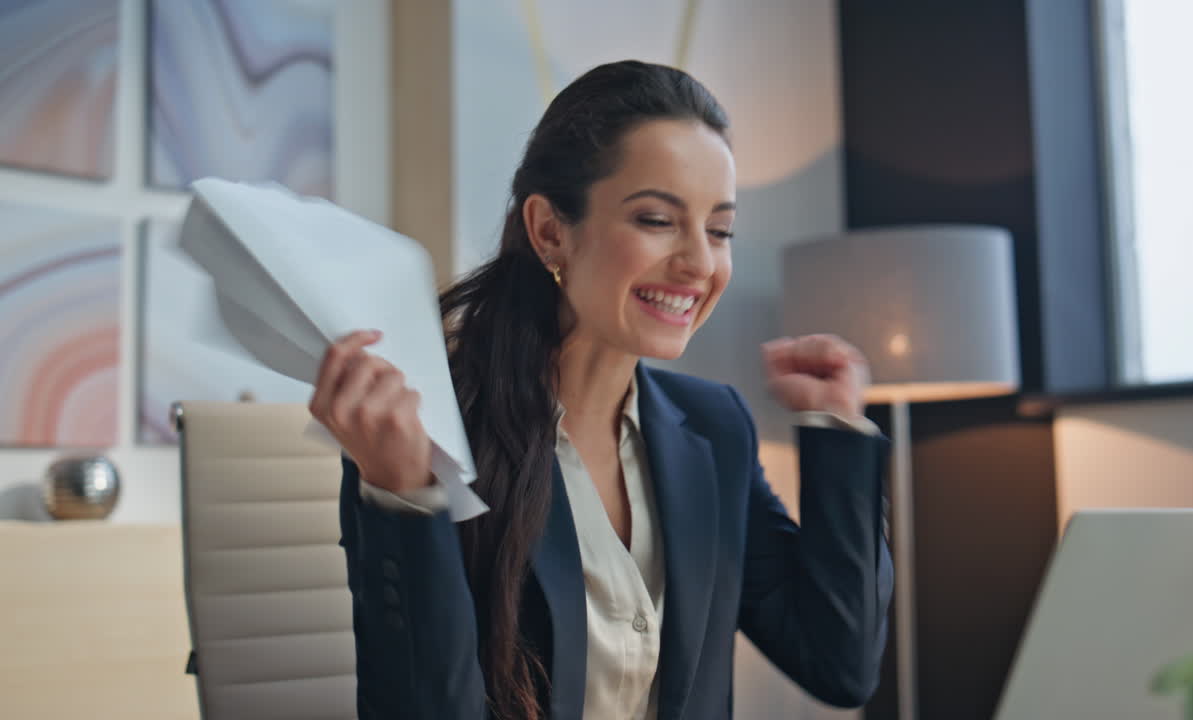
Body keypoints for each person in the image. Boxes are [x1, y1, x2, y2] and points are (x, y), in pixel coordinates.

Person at [309, 60, 892, 720]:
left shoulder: (714, 430)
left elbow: (840, 663)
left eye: (720, 229)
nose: (700, 262)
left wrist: (838, 435)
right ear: (551, 231)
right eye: (656, 219)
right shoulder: (435, 432)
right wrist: (404, 496)